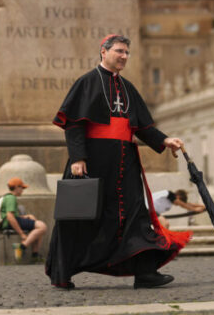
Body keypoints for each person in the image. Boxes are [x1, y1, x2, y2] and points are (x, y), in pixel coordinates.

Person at [46, 34, 192, 290]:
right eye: (119, 51)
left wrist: (165, 140)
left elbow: (143, 127)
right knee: (79, 218)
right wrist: (78, 158)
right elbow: (74, 124)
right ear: (103, 52)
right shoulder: (86, 82)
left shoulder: (128, 88)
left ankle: (145, 272)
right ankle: (62, 272)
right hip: (94, 160)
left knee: (135, 215)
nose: (124, 56)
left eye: (126, 52)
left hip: (125, 161)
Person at [0, 177, 47, 262]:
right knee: (42, 226)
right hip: (9, 223)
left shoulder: (8, 197)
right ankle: (21, 247)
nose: (23, 190)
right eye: (22, 188)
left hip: (11, 221)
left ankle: (35, 255)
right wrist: (21, 234)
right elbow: (10, 217)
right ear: (16, 187)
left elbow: (12, 215)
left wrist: (26, 216)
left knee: (37, 227)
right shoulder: (11, 198)